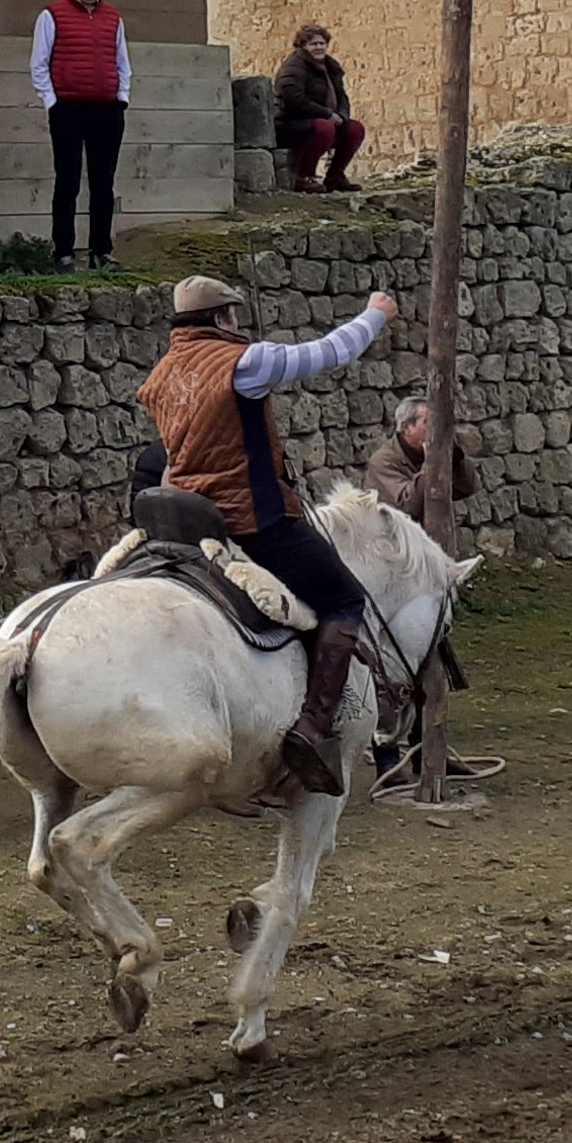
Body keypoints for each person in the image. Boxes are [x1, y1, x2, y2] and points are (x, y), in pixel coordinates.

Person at [136, 274, 401, 796]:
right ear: (219, 319)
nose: (240, 326)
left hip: (188, 518)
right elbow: (329, 352)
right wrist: (376, 313)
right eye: (234, 316)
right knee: (345, 598)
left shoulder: (162, 373)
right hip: (250, 520)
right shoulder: (245, 363)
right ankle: (313, 728)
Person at [31, 0, 132, 270]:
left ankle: (101, 252)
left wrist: (122, 98)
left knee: (104, 183)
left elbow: (122, 61)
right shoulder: (52, 15)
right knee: (68, 182)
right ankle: (63, 252)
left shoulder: (113, 17)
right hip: (69, 110)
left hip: (107, 109)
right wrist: (52, 102)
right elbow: (39, 64)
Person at [273, 23, 363, 192]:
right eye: (314, 44)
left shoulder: (331, 67)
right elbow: (294, 99)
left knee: (354, 129)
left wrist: (342, 116)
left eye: (322, 43)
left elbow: (342, 97)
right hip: (292, 124)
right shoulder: (294, 67)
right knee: (324, 128)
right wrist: (326, 114)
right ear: (303, 46)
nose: (319, 47)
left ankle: (335, 176)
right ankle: (304, 177)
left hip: (325, 119)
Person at [362, 393, 477, 519]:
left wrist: (455, 458)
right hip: (394, 535)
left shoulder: (426, 452)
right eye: (428, 422)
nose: (435, 428)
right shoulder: (383, 461)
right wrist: (431, 463)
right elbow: (407, 505)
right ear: (406, 428)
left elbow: (468, 488)